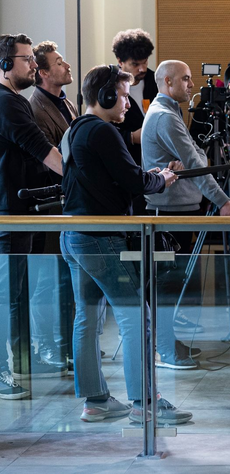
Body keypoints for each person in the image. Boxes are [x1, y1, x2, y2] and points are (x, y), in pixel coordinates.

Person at [60, 64, 191, 425]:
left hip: (73, 236)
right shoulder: (102, 132)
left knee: (87, 317)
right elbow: (133, 180)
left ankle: (96, 400)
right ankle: (144, 402)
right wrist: (161, 178)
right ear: (104, 96)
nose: (128, 105)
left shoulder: (74, 130)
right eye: (122, 96)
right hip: (100, 238)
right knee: (137, 315)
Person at [141, 60, 230, 369]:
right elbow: (198, 166)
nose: (192, 85)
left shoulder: (168, 112)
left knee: (172, 282)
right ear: (167, 82)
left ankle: (169, 342)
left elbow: (195, 157)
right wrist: (222, 201)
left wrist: (189, 161)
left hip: (178, 208)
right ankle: (166, 350)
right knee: (167, 285)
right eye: (186, 79)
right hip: (168, 212)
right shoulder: (165, 117)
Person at [0, 33, 64, 400]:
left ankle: (22, 360)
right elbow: (44, 151)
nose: (33, 66)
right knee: (8, 297)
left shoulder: (14, 101)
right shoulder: (9, 103)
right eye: (26, 59)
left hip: (20, 210)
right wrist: (80, 178)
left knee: (18, 294)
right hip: (9, 214)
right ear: (5, 64)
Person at [28, 41, 79, 370]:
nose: (67, 66)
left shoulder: (67, 103)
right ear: (43, 72)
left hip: (70, 201)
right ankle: (46, 344)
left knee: (65, 278)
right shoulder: (35, 107)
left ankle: (67, 343)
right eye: (59, 63)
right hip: (49, 203)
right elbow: (49, 159)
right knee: (47, 281)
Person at [111, 29, 157, 165]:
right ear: (120, 61)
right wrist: (130, 137)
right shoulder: (108, 86)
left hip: (156, 160)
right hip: (126, 160)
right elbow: (100, 128)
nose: (142, 69)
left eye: (145, 62)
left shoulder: (156, 81)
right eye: (135, 64)